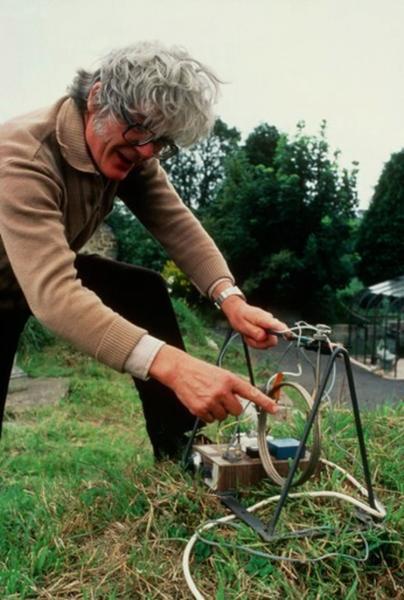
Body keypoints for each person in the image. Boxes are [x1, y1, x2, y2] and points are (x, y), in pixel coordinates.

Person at [0, 41, 287, 459]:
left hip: (30, 279)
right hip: (17, 281)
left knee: (142, 290)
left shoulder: (132, 148)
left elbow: (175, 223)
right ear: (98, 98)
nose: (148, 152)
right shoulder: (23, 158)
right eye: (139, 130)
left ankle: (180, 451)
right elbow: (55, 296)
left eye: (162, 140)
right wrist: (175, 367)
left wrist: (230, 299)